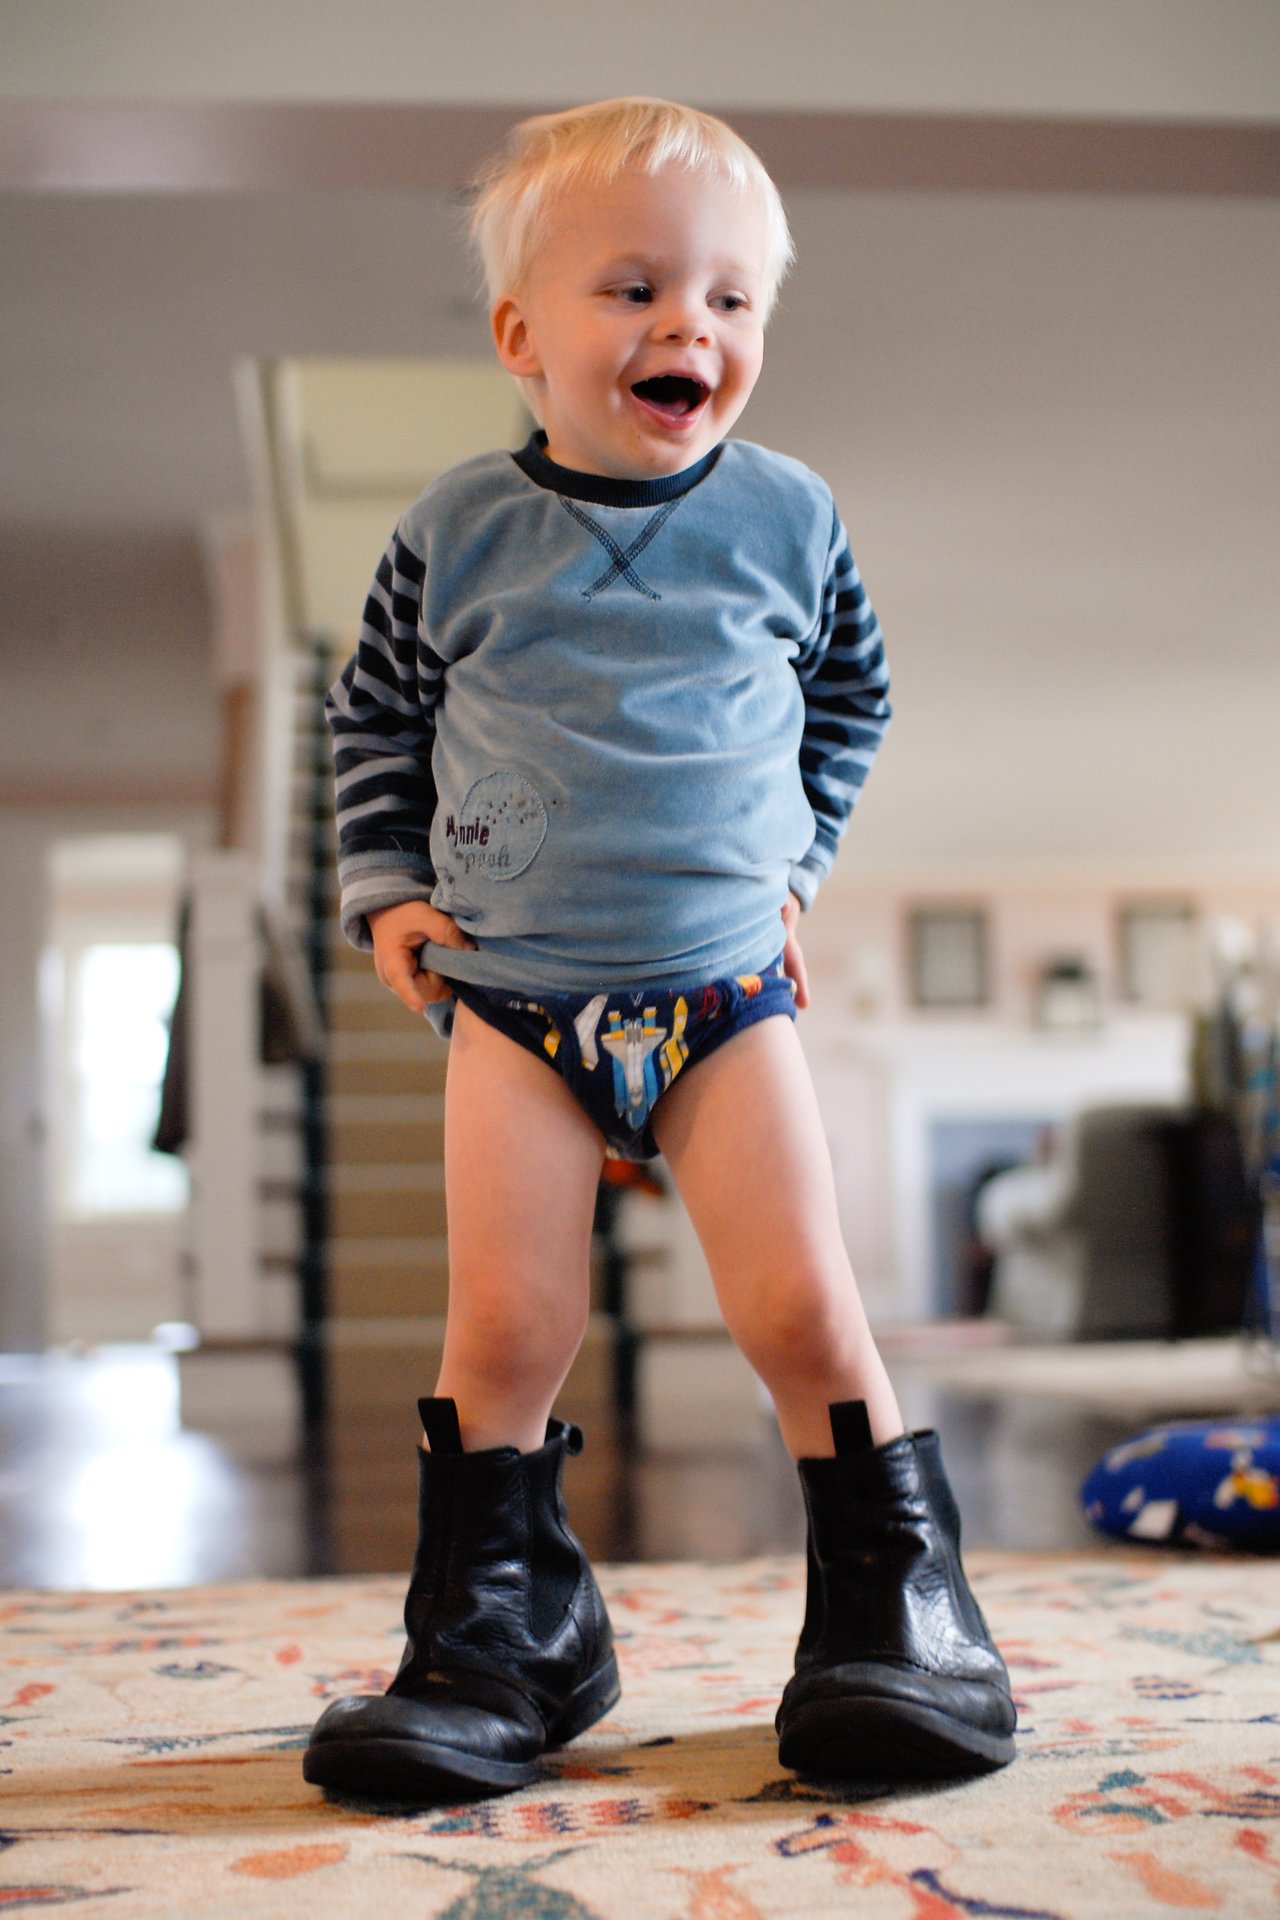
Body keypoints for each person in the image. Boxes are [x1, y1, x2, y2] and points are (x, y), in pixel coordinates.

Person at [303, 96, 1015, 1803]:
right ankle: (501, 1635)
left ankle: (893, 1614)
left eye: (729, 299)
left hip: (722, 989)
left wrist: (804, 863)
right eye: (631, 289)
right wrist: (392, 889)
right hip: (514, 999)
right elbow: (378, 717)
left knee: (797, 1307)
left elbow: (849, 697)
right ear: (521, 335)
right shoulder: (456, 529)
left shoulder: (791, 516)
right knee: (504, 1328)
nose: (688, 326)